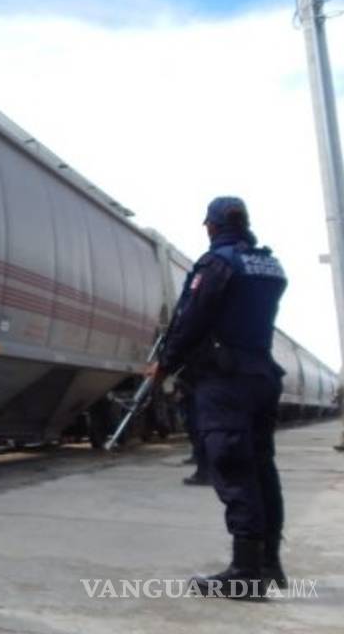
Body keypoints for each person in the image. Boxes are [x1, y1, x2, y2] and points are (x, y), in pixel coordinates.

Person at [145, 197, 287, 600]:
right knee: (262, 469)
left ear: (212, 225)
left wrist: (164, 365)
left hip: (226, 382)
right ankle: (269, 563)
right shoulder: (269, 264)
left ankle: (245, 575)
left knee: (233, 467)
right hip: (261, 374)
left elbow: (190, 320)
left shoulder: (216, 264)